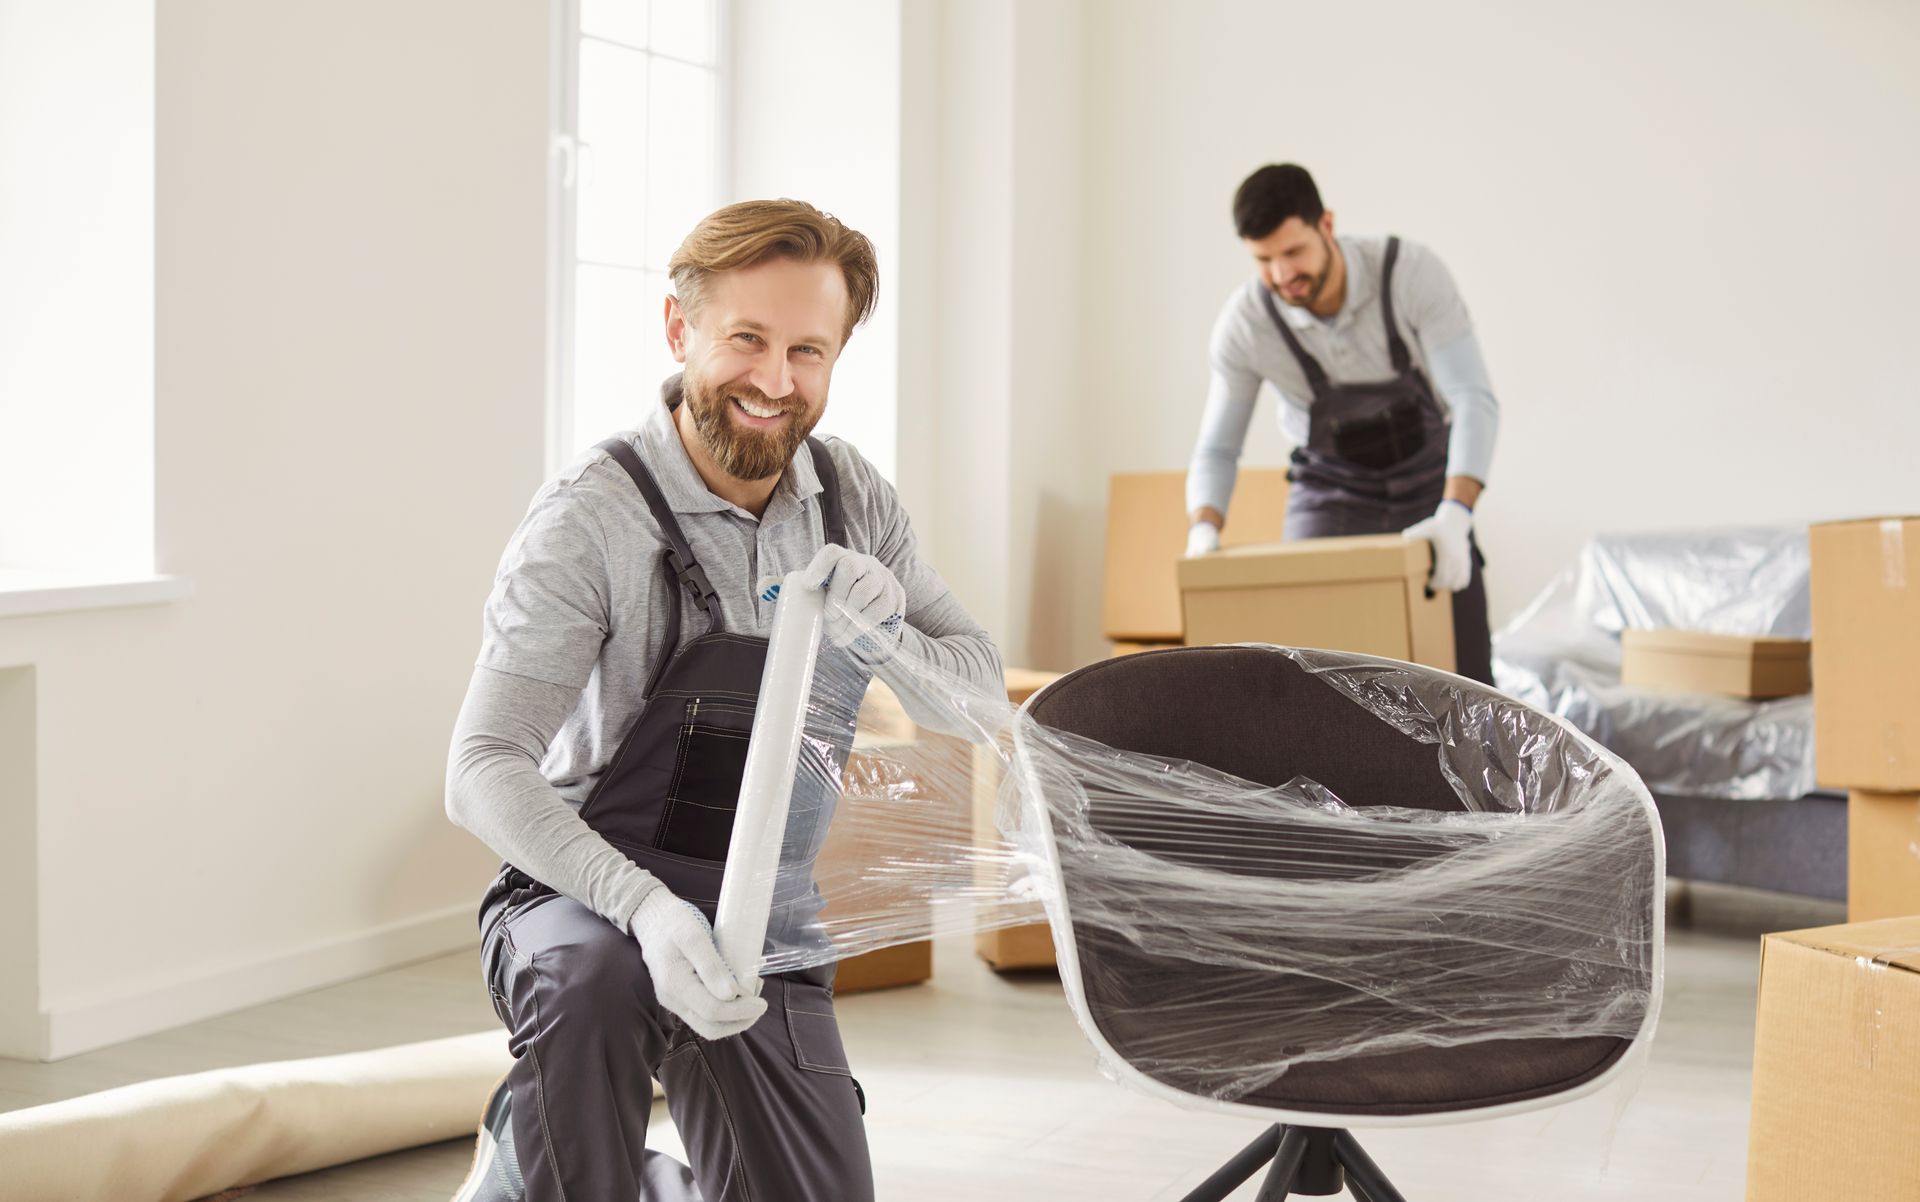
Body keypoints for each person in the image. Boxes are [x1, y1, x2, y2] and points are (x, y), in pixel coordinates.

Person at [445, 199, 1002, 1201]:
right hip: (580, 899)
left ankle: (593, 1169)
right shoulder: (591, 518)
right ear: (680, 328)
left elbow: (976, 696)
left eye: (807, 351)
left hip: (761, 909)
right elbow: (480, 766)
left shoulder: (851, 498)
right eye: (747, 339)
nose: (775, 381)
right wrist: (644, 908)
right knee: (596, 986)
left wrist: (887, 631)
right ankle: (538, 1154)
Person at [1185, 163, 1500, 684]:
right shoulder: (1245, 326)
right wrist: (1203, 532)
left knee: (1467, 677)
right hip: (1331, 494)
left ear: (1327, 224)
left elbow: (1473, 398)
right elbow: (1218, 449)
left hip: (1429, 489)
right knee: (1307, 675)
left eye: (1294, 252)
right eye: (1264, 260)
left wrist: (1455, 515)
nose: (1282, 274)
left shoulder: (1409, 274)